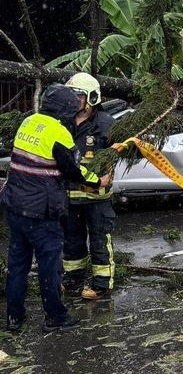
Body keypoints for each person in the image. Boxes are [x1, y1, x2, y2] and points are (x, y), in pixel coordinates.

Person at [1, 84, 110, 332]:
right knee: (50, 265)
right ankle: (55, 317)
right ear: (66, 110)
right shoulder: (59, 133)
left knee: (17, 264)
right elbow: (73, 170)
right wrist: (97, 181)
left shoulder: (28, 122)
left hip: (15, 207)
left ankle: (14, 318)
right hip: (42, 212)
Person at [62, 72, 117, 300]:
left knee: (99, 241)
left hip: (97, 197)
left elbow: (118, 152)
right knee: (72, 242)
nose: (73, 100)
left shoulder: (106, 124)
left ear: (91, 98)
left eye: (78, 96)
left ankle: (101, 285)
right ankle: (73, 281)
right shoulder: (62, 122)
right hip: (69, 197)